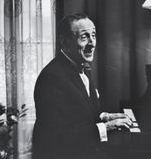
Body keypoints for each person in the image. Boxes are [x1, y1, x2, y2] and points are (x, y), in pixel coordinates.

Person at [32, 13, 133, 159]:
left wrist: (106, 117)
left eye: (93, 35)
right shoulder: (51, 78)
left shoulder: (81, 65)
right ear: (64, 42)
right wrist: (108, 127)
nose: (92, 43)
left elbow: (78, 113)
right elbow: (57, 137)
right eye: (84, 37)